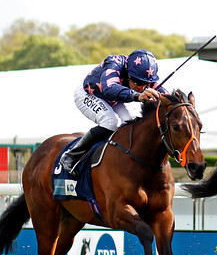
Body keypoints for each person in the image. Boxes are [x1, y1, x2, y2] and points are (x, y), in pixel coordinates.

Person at [59, 49, 165, 177]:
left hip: (113, 99)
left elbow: (162, 92)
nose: (142, 87)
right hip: (88, 94)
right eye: (138, 82)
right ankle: (71, 156)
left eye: (146, 83)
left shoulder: (141, 73)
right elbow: (110, 89)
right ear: (128, 72)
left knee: (129, 123)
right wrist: (138, 95)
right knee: (111, 122)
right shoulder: (114, 64)